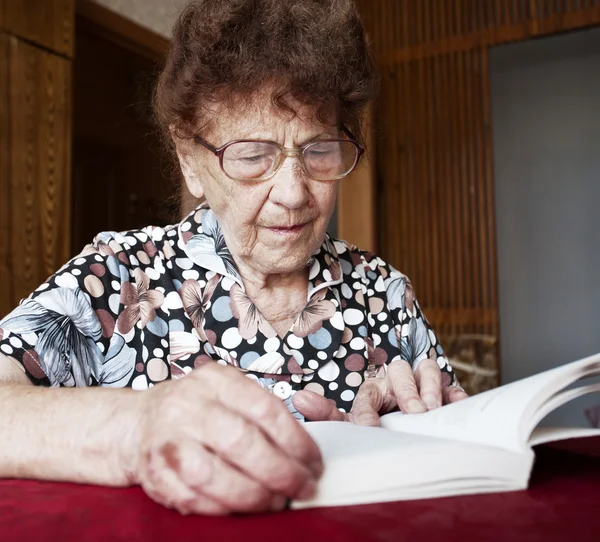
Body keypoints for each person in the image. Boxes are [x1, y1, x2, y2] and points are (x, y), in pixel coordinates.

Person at [0, 0, 467, 515]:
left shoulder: (385, 290)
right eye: (251, 155)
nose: (293, 194)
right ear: (190, 162)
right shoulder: (119, 276)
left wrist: (429, 419)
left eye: (318, 150)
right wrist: (136, 425)